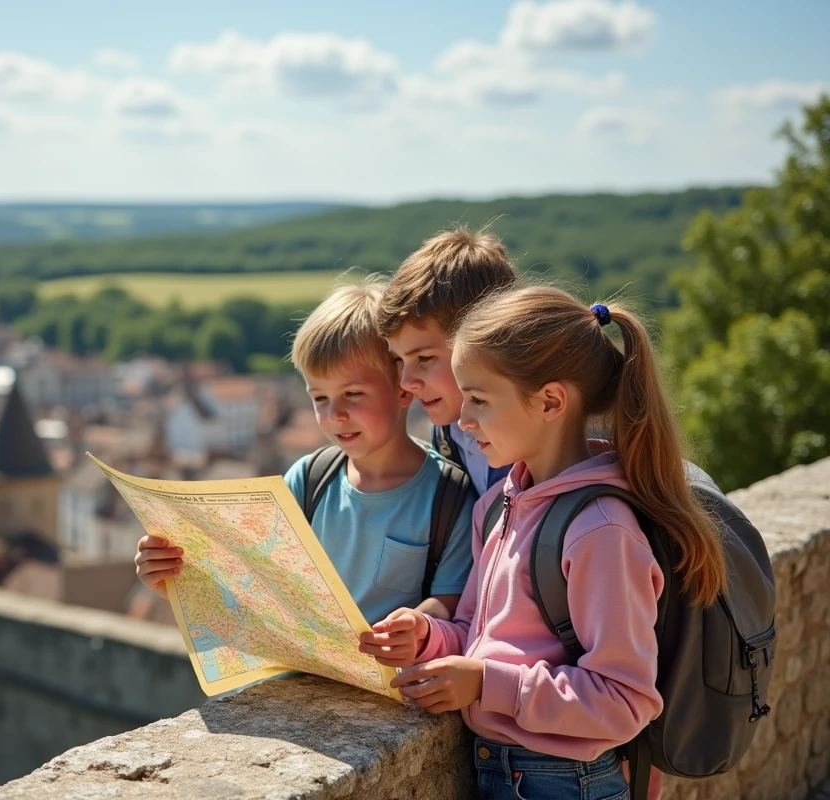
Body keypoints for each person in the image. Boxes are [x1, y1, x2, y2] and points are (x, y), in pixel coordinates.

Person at [364, 286, 727, 800]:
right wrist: (428, 636)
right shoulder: (501, 503)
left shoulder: (601, 530)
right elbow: (480, 633)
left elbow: (623, 700)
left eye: (481, 400)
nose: (464, 420)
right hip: (508, 770)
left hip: (572, 782)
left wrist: (488, 684)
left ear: (551, 401)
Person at [135, 275, 475, 627]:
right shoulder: (309, 480)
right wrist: (176, 580)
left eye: (353, 394)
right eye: (319, 398)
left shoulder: (450, 498)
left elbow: (449, 607)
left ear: (403, 389)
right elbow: (262, 587)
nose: (335, 414)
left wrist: (415, 629)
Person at [377, 226, 518, 493]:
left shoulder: (538, 448)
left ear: (488, 340)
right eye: (399, 360)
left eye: (425, 358)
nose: (406, 382)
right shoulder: (448, 434)